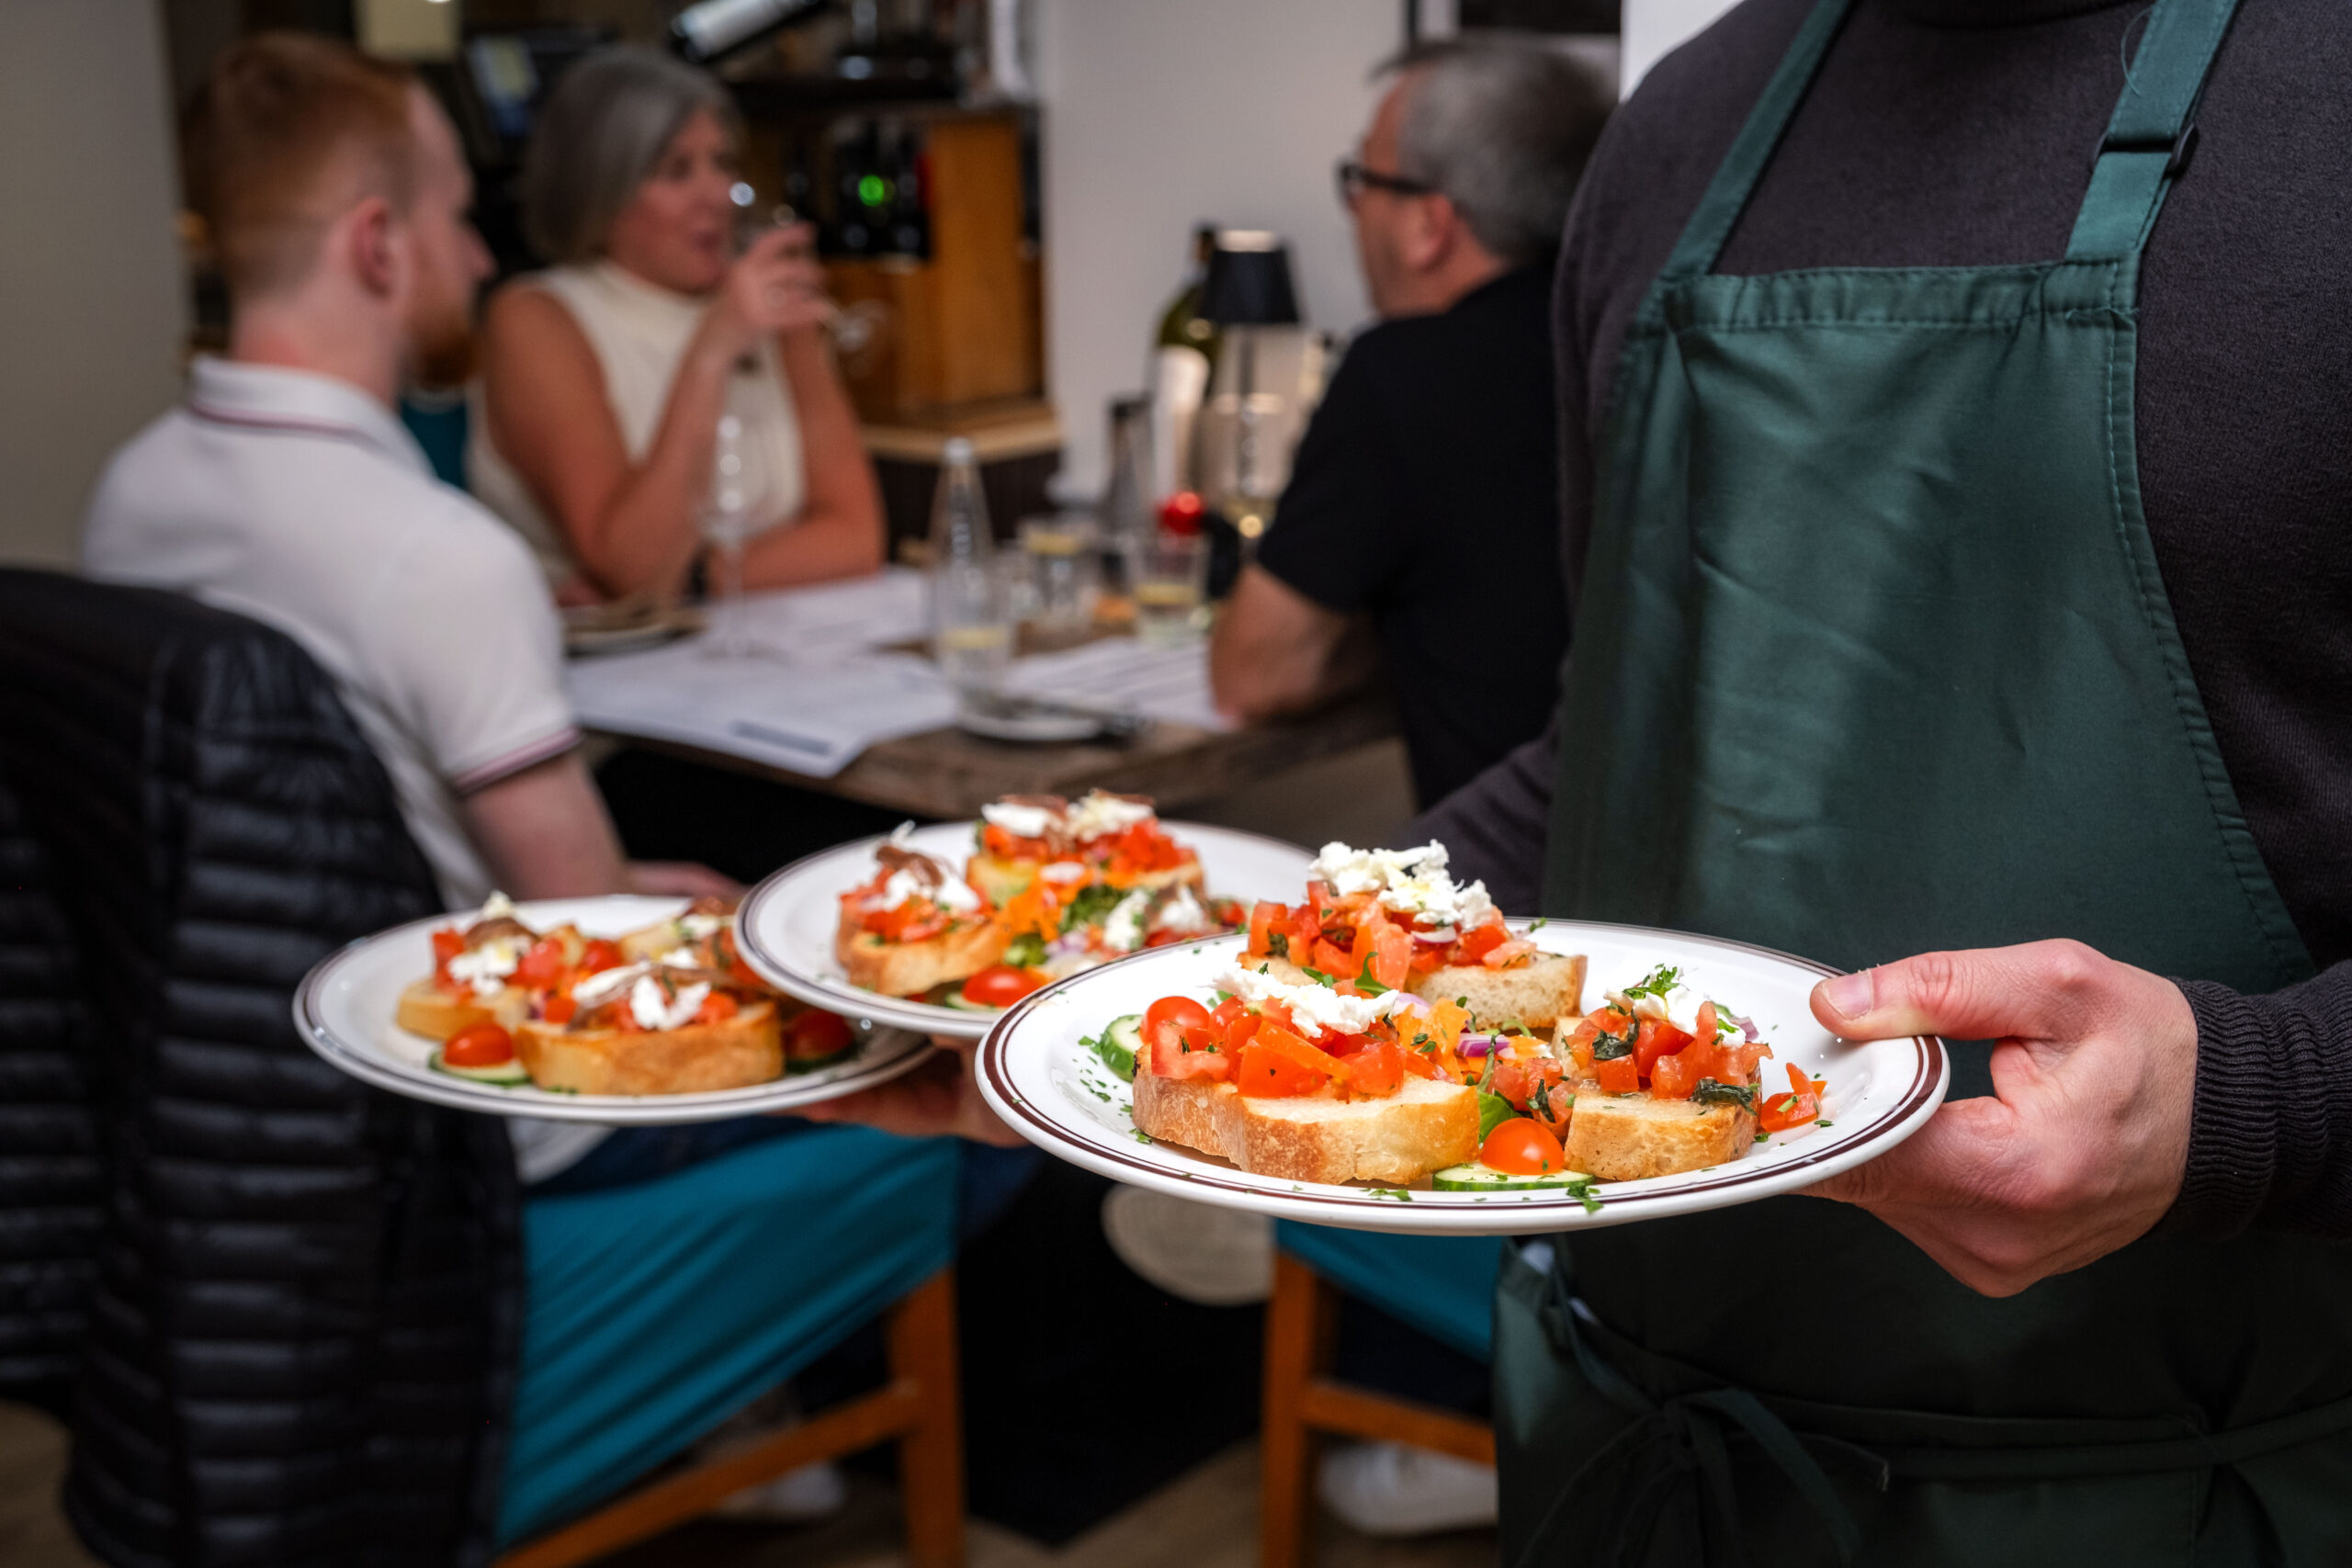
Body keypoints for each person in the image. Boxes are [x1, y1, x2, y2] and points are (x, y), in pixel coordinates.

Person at [1394, 0, 2352, 1560]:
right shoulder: (1683, 127)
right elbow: (1613, 759)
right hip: (1639, 1463)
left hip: (2187, 1492)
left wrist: (2254, 1104)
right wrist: (1204, 980)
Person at [1209, 38, 1610, 808]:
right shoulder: (1627, 340)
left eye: (1364, 180)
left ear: (1430, 224)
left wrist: (1385, 627)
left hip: (1494, 886)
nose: (1355, 213)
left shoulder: (1403, 373)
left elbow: (1256, 674)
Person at [470, 45, 884, 605]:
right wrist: (711, 353)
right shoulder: (536, 319)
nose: (717, 195)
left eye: (722, 162)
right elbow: (634, 566)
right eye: (676, 170)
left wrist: (692, 577)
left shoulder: (768, 308)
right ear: (600, 191)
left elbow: (856, 538)